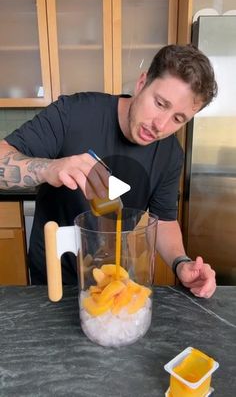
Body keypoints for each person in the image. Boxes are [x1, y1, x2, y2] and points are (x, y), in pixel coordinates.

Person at [0, 44, 217, 297]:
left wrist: (181, 262)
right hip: (53, 282)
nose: (160, 125)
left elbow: (164, 219)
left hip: (114, 283)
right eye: (159, 103)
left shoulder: (170, 154)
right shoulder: (73, 113)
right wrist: (49, 168)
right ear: (142, 83)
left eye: (178, 119)